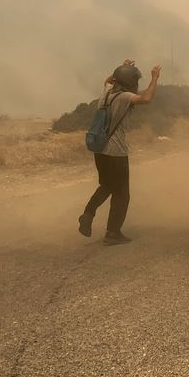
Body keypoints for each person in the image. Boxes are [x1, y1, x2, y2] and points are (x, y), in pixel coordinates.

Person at [78, 60, 161, 244]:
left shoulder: (105, 93)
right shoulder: (124, 97)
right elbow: (146, 98)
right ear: (130, 82)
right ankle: (113, 233)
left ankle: (88, 212)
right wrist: (154, 78)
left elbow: (107, 80)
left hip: (99, 149)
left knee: (107, 186)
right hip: (116, 152)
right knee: (122, 193)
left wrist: (122, 68)